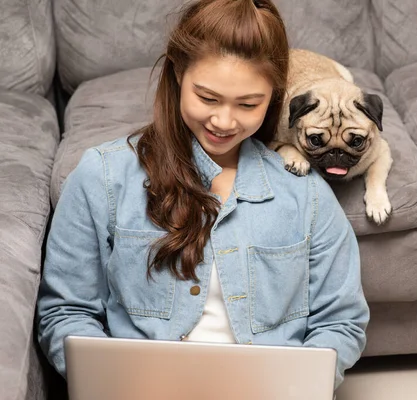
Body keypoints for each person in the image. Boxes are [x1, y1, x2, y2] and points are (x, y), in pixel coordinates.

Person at [37, 0, 369, 391]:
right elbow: (66, 311)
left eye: (249, 104)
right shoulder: (102, 176)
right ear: (178, 74)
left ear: (275, 96)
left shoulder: (306, 193)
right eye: (208, 98)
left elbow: (340, 322)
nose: (224, 122)